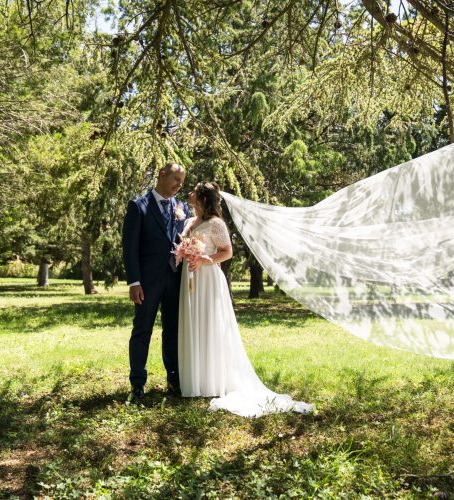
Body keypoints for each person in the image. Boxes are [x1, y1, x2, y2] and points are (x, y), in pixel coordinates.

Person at [178, 181, 313, 417]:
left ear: (202, 198)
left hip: (208, 278)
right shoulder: (191, 221)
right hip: (190, 279)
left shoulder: (216, 223)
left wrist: (203, 260)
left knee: (210, 325)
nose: (189, 193)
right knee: (194, 325)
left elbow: (226, 252)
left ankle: (213, 381)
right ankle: (195, 380)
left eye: (194, 191)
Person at [122, 162, 188, 399]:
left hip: (175, 281)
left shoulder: (182, 208)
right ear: (162, 175)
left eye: (182, 183)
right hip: (147, 283)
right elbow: (129, 249)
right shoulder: (138, 206)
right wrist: (134, 282)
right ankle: (137, 384)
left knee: (173, 331)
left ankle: (174, 380)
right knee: (142, 330)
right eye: (176, 181)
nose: (179, 186)